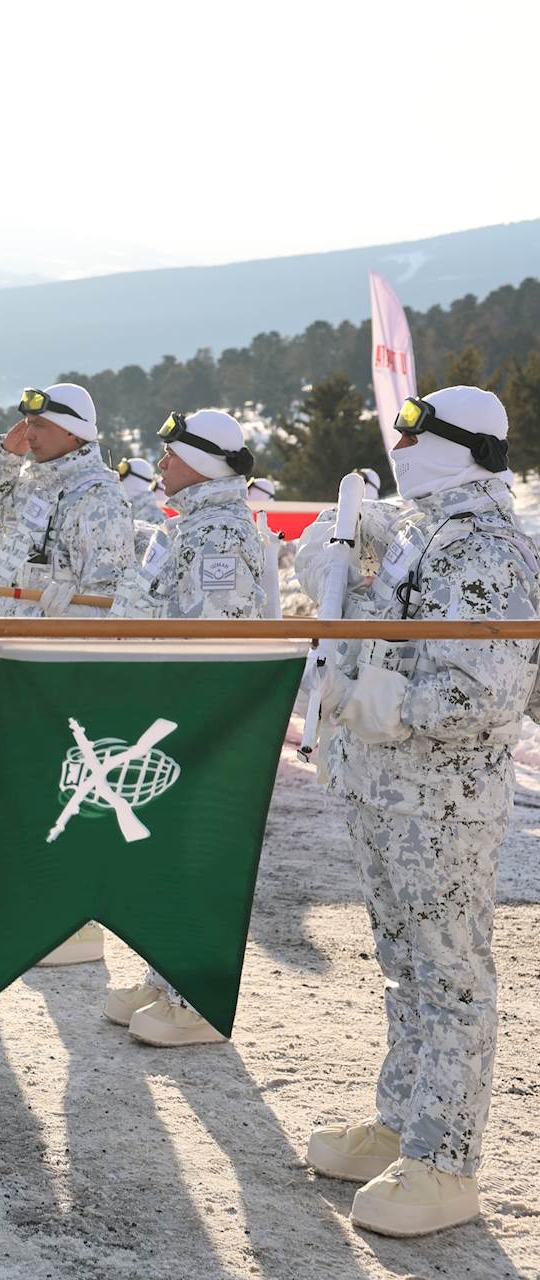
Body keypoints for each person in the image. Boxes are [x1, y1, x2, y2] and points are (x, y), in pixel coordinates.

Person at [295, 385, 539, 1237]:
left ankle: (445, 1163)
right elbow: (379, 619)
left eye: (415, 432)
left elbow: (485, 693)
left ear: (460, 446)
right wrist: (336, 548)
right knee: (405, 966)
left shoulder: (485, 548)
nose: (399, 447)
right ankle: (402, 1123)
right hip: (389, 790)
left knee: (450, 976)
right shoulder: (421, 530)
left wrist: (375, 702)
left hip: (443, 802)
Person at [96, 411, 277, 1042]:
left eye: (171, 454)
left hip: (196, 717)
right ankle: (164, 975)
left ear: (201, 462)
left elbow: (211, 641)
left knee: (197, 857)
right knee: (167, 855)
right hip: (165, 708)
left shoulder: (220, 533)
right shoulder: (190, 526)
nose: (161, 464)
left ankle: (195, 996)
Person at [0, 383, 133, 967]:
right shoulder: (38, 481)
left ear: (74, 431)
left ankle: (79, 924)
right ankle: (48, 906)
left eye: (40, 426)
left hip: (68, 668)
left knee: (74, 790)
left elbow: (109, 596)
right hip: (28, 658)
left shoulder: (97, 496)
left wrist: (65, 609)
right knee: (36, 786)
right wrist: (5, 452)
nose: (30, 434)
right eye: (26, 424)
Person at [118, 456, 166, 523]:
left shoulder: (156, 519)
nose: (119, 479)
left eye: (123, 470)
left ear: (138, 481)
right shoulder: (121, 508)